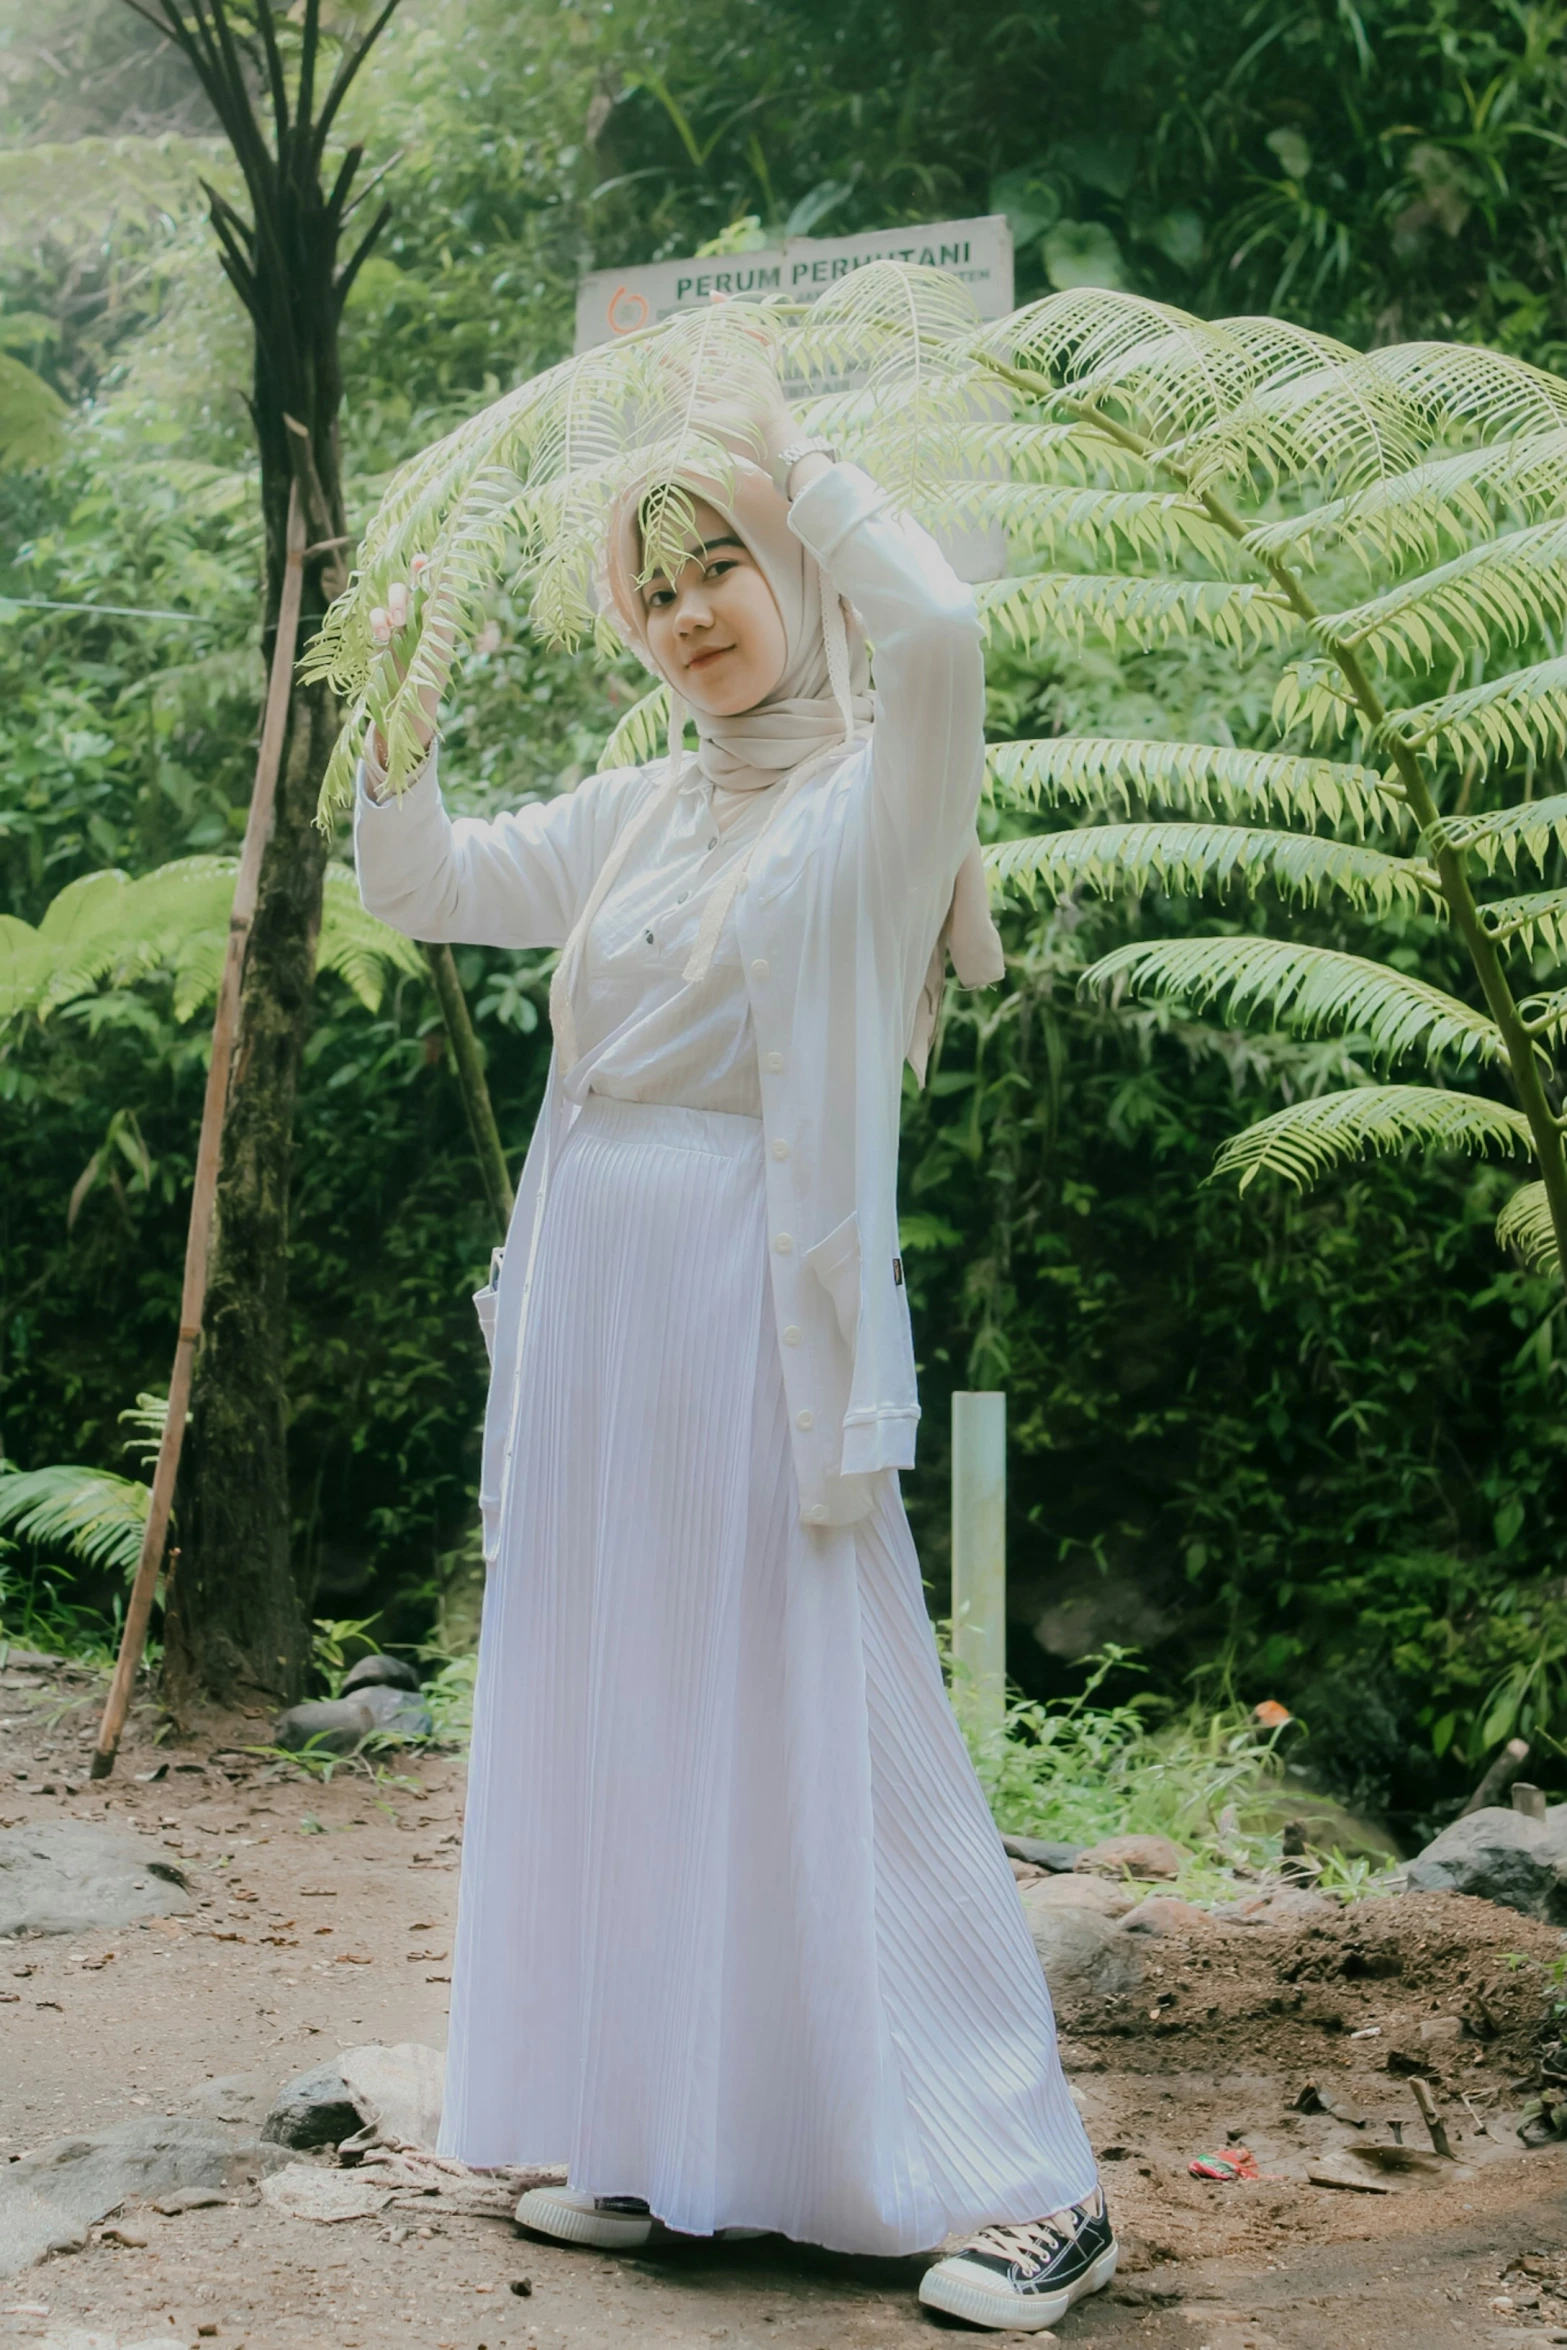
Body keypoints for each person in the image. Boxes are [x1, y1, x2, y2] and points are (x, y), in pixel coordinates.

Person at [352, 366, 1114, 2334]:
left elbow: (937, 627)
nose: (689, 609)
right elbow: (419, 885)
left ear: (787, 566)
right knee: (646, 1711)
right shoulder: (639, 811)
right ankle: (682, 2142)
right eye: (651, 584)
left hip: (758, 1318)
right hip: (607, 1325)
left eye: (720, 563)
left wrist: (799, 454)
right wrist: (400, 720)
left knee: (837, 1709)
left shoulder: (882, 795)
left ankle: (1030, 2179)